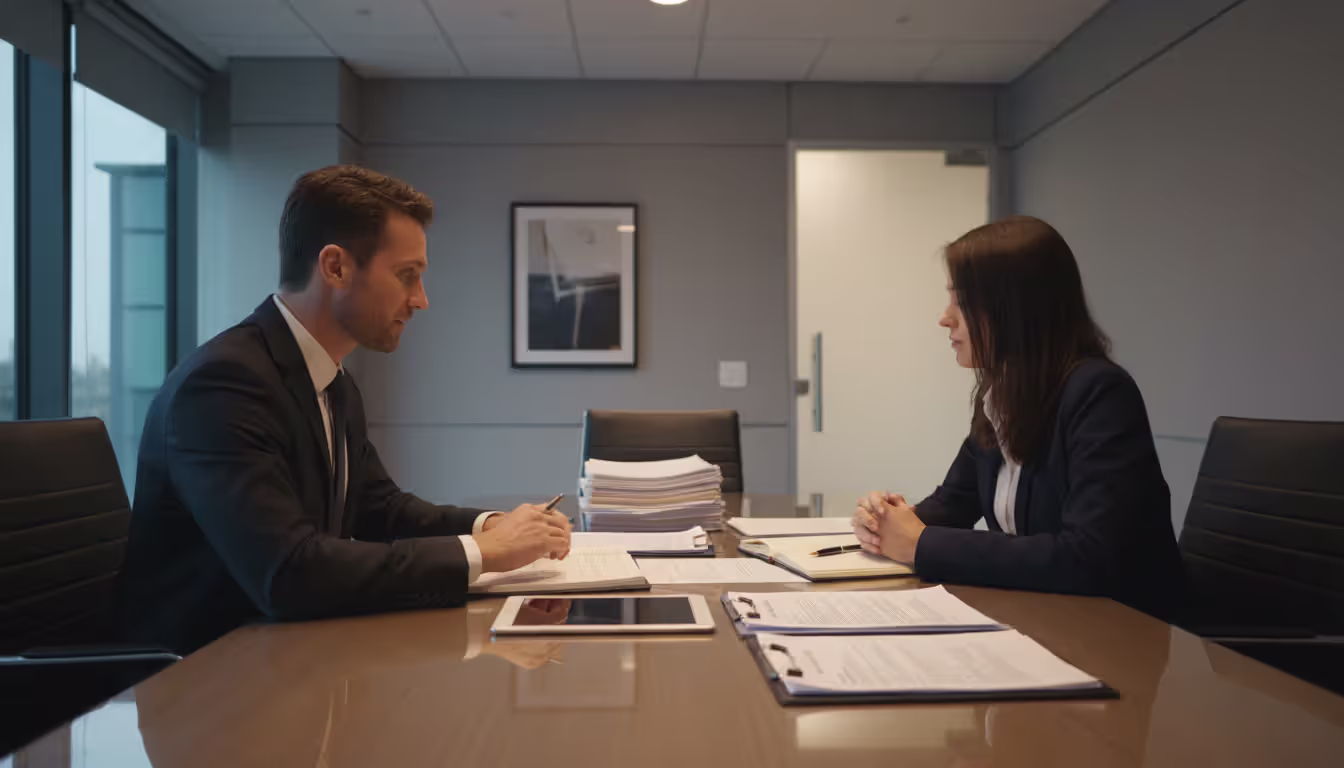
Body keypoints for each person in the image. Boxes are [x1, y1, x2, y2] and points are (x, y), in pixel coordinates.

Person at [119, 165, 571, 654]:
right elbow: (288, 573)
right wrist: (484, 553)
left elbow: (378, 509)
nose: (421, 300)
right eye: (407, 276)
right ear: (335, 268)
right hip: (206, 684)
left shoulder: (331, 379)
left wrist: (491, 526)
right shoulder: (223, 387)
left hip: (290, 657)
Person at [851, 216, 1183, 618]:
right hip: (1044, 624)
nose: (945, 317)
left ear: (1013, 310)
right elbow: (953, 504)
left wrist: (920, 543)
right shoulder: (1001, 395)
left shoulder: (1100, 394)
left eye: (962, 302)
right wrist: (885, 520)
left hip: (1122, 637)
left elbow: (1089, 557)